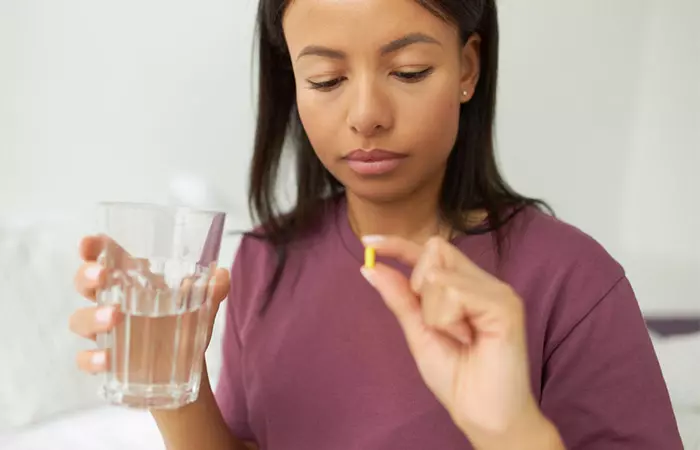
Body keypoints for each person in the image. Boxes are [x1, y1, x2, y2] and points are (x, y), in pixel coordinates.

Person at [68, 0, 684, 448]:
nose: (365, 115)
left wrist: (511, 432)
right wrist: (173, 384)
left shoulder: (573, 280)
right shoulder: (262, 261)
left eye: (409, 71)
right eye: (326, 80)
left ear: (468, 69)